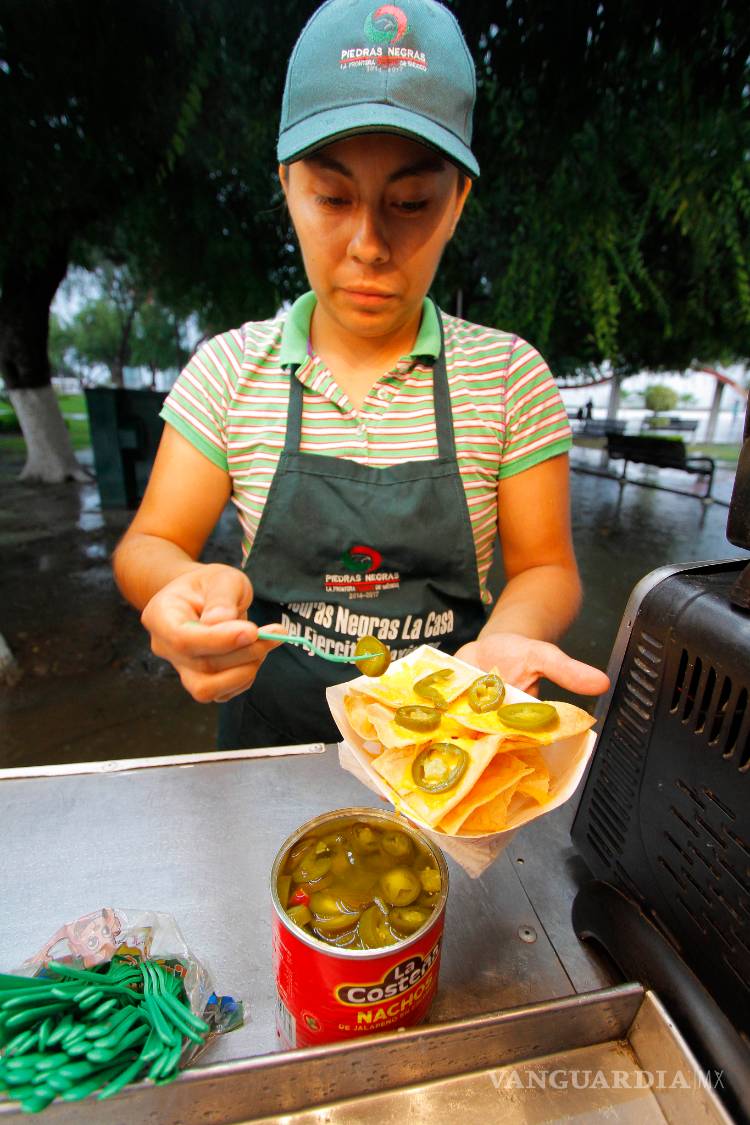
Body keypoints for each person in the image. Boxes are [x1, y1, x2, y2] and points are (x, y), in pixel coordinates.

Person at [113, 0, 609, 749]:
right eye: (333, 198)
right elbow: (149, 541)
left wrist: (507, 638)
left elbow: (546, 566)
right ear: (287, 186)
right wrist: (177, 587)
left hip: (442, 736)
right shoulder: (228, 370)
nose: (369, 245)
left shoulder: (510, 377)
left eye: (410, 202)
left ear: (457, 202)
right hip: (270, 738)